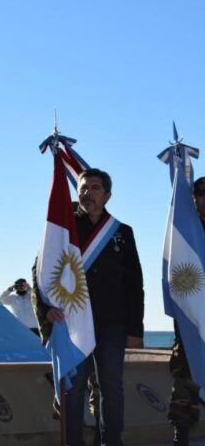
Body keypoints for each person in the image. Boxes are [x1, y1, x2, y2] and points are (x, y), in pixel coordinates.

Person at [34, 168, 144, 446]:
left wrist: (135, 330)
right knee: (74, 388)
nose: (87, 193)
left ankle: (111, 442)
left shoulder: (122, 232)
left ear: (107, 195)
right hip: (72, 322)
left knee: (111, 389)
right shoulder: (63, 228)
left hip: (112, 323)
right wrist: (46, 311)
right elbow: (40, 272)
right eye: (83, 187)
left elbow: (134, 285)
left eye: (95, 188)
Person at [168, 176, 205, 445]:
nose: (203, 199)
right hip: (190, 326)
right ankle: (181, 436)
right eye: (200, 194)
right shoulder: (184, 234)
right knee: (184, 385)